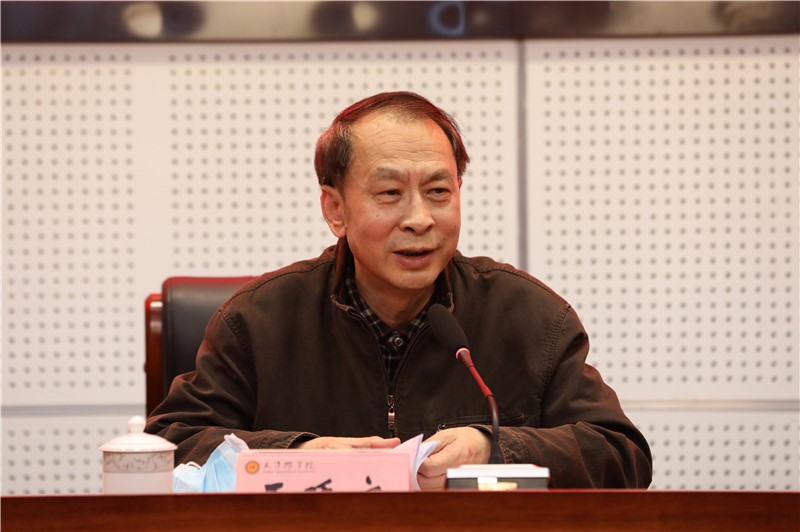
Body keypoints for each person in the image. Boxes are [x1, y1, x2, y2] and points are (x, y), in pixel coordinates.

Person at [146, 91, 652, 489]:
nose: (419, 219)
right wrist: (298, 455)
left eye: (438, 192)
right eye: (390, 193)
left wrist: (493, 446)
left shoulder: (529, 315)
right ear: (335, 209)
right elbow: (168, 445)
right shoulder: (258, 321)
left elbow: (621, 455)